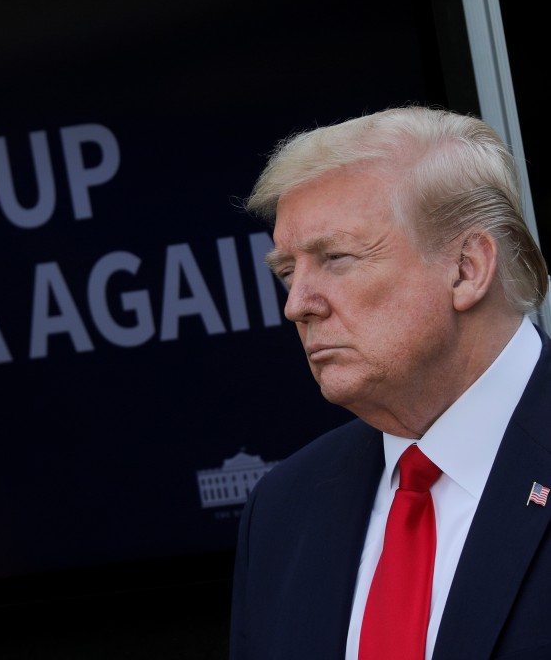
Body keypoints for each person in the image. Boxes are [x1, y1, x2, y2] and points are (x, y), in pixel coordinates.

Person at [228, 105, 551, 660]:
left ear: (467, 268)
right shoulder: (284, 508)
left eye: (336, 258)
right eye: (287, 271)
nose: (296, 305)